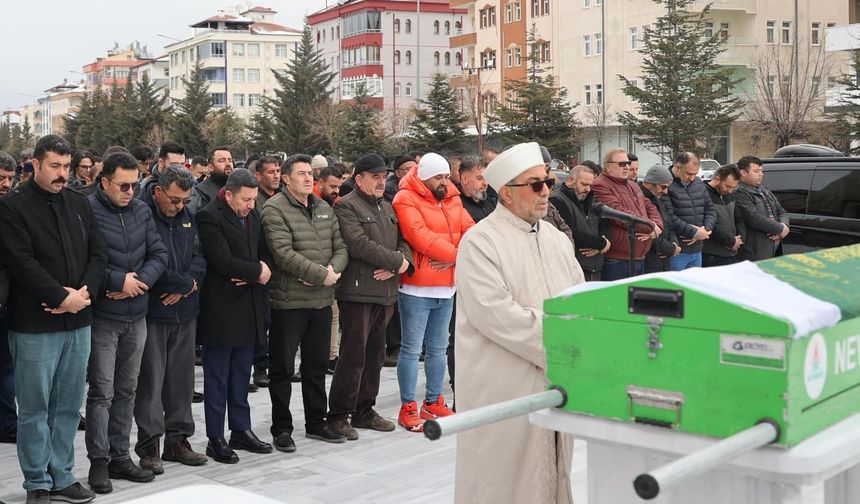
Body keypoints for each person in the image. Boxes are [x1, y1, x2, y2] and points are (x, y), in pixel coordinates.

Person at [454, 142, 584, 504]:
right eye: (535, 184)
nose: (546, 192)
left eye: (549, 182)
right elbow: (495, 314)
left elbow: (578, 299)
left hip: (553, 379)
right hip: (503, 384)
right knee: (501, 480)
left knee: (554, 473)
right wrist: (563, 339)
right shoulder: (480, 242)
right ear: (507, 194)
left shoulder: (557, 240)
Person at [0, 135, 107, 504]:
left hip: (78, 320)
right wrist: (61, 297)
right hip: (34, 323)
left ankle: (62, 477)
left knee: (67, 406)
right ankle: (37, 484)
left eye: (66, 166)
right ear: (35, 166)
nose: (63, 174)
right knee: (33, 409)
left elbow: (98, 254)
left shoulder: (79, 202)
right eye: (55, 167)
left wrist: (82, 296)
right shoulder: (12, 207)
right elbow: (21, 262)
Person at [86, 152, 169, 493]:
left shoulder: (141, 210)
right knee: (101, 393)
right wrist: (117, 281)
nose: (130, 192)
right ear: (104, 182)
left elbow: (159, 254)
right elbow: (83, 261)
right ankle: (99, 462)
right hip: (104, 317)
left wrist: (140, 282)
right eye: (123, 185)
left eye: (135, 185)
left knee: (127, 391)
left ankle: (121, 456)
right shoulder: (87, 210)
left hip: (137, 315)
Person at [261, 154, 349, 451]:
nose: (308, 178)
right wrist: (318, 274)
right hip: (289, 303)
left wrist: (331, 272)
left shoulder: (323, 207)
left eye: (310, 173)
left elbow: (340, 246)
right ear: (285, 178)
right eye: (301, 173)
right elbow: (282, 253)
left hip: (321, 300)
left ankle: (316, 422)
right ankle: (282, 428)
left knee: (316, 365)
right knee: (283, 368)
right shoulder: (274, 208)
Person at [325, 153, 412, 440]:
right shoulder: (345, 206)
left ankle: (364, 409)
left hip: (385, 292)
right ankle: (339, 414)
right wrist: (395, 262)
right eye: (374, 176)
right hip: (358, 291)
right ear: (358, 179)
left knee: (375, 354)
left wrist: (401, 263)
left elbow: (404, 241)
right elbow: (358, 244)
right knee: (353, 355)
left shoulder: (387, 206)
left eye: (383, 176)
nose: (381, 181)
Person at [134, 166, 208, 474]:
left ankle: (178, 440)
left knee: (181, 379)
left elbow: (200, 256)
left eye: (185, 200)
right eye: (175, 200)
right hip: (154, 310)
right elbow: (144, 262)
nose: (179, 206)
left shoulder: (188, 215)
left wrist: (190, 284)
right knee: (151, 380)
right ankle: (149, 444)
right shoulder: (141, 213)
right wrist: (180, 285)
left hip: (186, 309)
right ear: (158, 191)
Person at [392, 153, 474, 432]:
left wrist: (454, 257)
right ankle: (407, 407)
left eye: (444, 176)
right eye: (437, 177)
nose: (443, 181)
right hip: (417, 287)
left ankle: (433, 400)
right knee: (412, 349)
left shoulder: (452, 196)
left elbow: (469, 230)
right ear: (423, 177)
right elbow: (418, 235)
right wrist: (456, 255)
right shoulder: (405, 198)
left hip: (447, 286)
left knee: (439, 349)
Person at [196, 169, 274, 464]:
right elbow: (221, 260)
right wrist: (256, 272)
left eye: (254, 199)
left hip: (249, 308)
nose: (251, 205)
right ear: (228, 195)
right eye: (246, 199)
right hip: (221, 310)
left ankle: (241, 429)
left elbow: (264, 252)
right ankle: (215, 438)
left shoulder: (252, 215)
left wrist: (258, 271)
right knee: (217, 379)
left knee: (241, 375)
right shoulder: (209, 216)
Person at [592, 148, 663, 280]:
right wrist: (650, 226)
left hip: (639, 256)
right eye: (621, 164)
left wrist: (657, 224)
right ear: (607, 166)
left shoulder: (633, 185)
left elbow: (649, 205)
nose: (626, 167)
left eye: (627, 163)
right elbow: (619, 214)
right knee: (618, 300)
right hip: (617, 260)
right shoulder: (600, 185)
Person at [249, 155, 282, 388]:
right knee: (261, 321)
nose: (276, 175)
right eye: (271, 172)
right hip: (261, 266)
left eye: (279, 171)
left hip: (280, 268)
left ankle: (275, 363)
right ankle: (260, 365)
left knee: (276, 321)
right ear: (259, 176)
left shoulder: (281, 198)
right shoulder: (255, 200)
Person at [550, 164, 611, 281]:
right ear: (570, 180)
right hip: (575, 268)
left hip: (595, 268)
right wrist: (601, 243)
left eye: (590, 185)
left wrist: (604, 244)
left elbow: (605, 225)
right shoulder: (557, 200)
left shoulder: (592, 201)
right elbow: (571, 232)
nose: (588, 189)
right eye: (584, 184)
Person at [664, 152, 716, 271]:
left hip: (697, 249)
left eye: (695, 174)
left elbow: (710, 210)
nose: (692, 178)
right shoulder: (666, 184)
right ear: (677, 168)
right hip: (678, 249)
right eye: (689, 173)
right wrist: (692, 232)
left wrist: (705, 230)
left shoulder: (698, 183)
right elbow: (668, 216)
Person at [735, 155, 789, 261]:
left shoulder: (765, 190)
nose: (761, 174)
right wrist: (780, 229)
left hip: (773, 249)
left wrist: (784, 226)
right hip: (754, 250)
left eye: (761, 171)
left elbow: (781, 211)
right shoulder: (738, 192)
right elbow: (753, 217)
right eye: (756, 171)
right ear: (743, 173)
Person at [0, 151, 16, 445]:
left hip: (6, 302)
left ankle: (8, 424)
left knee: (6, 367)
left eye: (9, 178)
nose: (5, 183)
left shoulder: (11, 209)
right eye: (0, 177)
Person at [639, 166, 681, 273]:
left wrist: (674, 243)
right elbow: (645, 234)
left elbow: (668, 225)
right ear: (648, 184)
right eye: (663, 187)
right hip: (648, 261)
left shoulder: (659, 200)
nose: (666, 191)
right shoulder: (639, 201)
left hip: (663, 260)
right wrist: (670, 248)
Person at [703, 164, 744, 267]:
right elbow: (708, 225)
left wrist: (739, 239)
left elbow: (739, 219)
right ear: (717, 179)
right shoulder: (703, 194)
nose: (730, 191)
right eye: (728, 186)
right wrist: (731, 241)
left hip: (732, 252)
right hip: (712, 255)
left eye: (733, 187)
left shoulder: (729, 195)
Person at [189, 147, 234, 213]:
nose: (228, 164)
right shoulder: (200, 191)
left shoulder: (238, 187)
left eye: (230, 160)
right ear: (210, 167)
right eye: (222, 161)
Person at [457, 156, 496, 223]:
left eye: (487, 178)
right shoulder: (455, 205)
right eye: (480, 178)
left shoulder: (493, 199)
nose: (485, 183)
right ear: (465, 179)